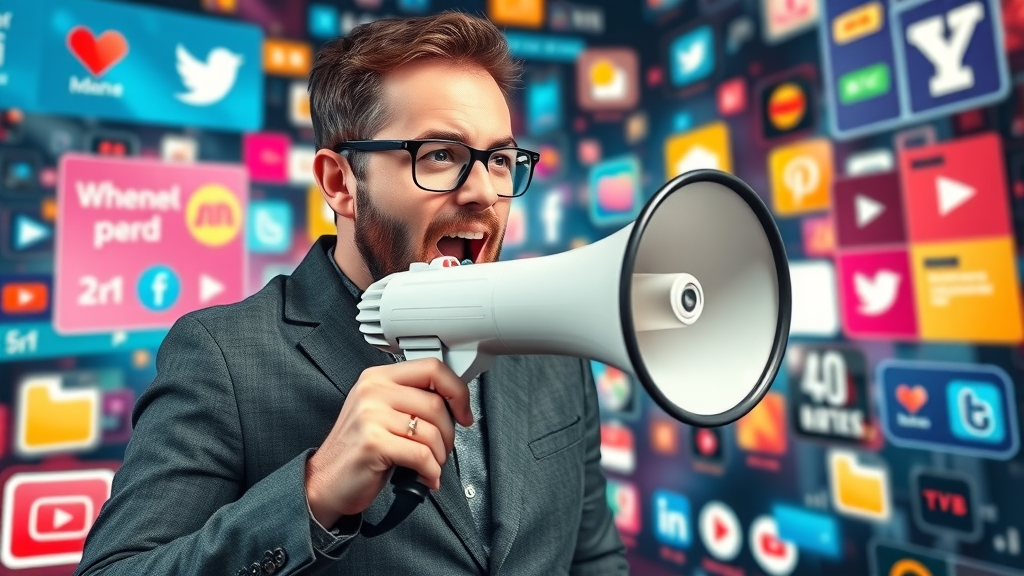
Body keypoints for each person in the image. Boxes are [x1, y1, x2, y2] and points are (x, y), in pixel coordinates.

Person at [73, 11, 628, 576]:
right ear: (341, 183)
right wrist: (311, 496)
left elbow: (595, 559)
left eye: (501, 160)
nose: (484, 191)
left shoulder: (555, 346)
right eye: (440, 155)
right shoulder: (222, 357)